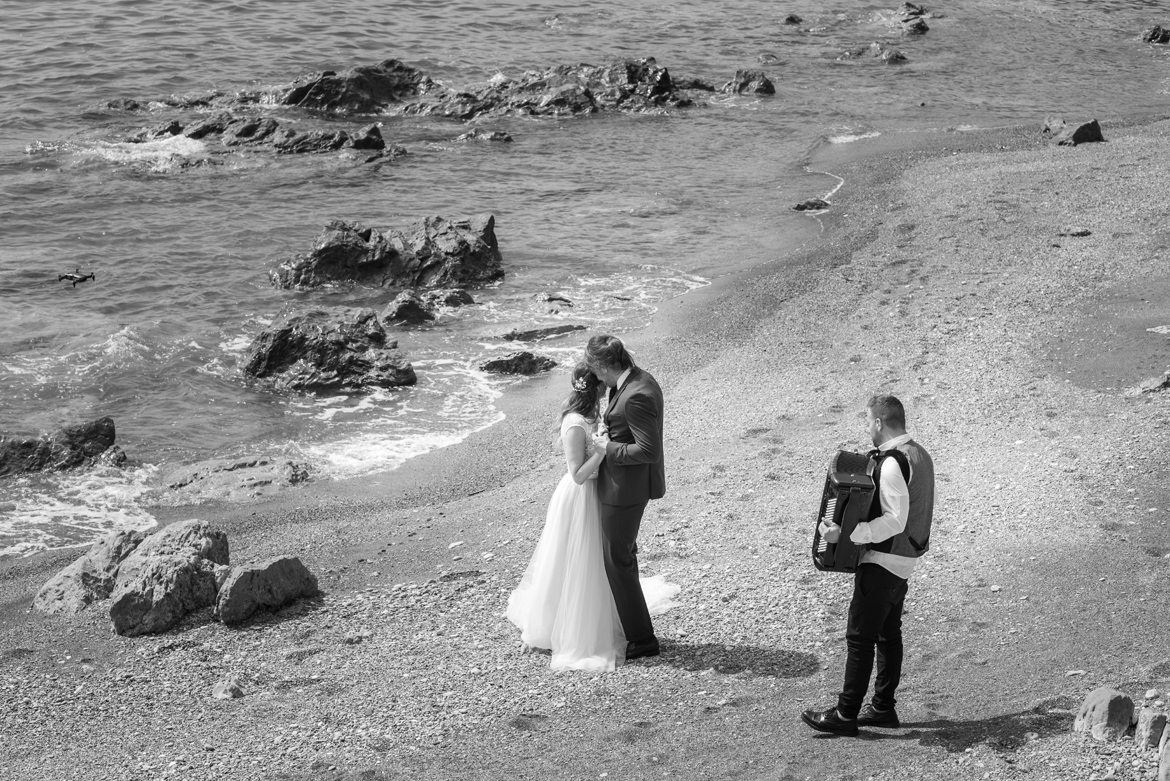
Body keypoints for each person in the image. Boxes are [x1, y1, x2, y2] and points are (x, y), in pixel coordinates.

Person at [505, 361, 678, 671]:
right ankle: (565, 623)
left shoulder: (593, 416)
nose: (607, 390)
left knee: (598, 559)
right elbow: (577, 476)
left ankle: (610, 615)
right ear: (596, 388)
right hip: (578, 498)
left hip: (597, 496)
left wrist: (603, 441)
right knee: (574, 561)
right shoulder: (573, 423)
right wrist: (602, 449)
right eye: (603, 386)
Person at [801, 394, 935, 736]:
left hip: (882, 562)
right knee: (888, 635)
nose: (868, 429)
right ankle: (882, 709)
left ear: (878, 422)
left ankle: (846, 715)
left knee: (860, 638)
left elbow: (895, 520)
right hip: (904, 563)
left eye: (868, 422)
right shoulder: (920, 455)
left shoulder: (892, 462)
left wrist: (850, 535)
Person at [585, 335, 668, 661]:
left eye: (596, 371)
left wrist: (608, 448)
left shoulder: (636, 395)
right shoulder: (635, 378)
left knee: (617, 562)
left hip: (625, 491)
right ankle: (634, 628)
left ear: (605, 366)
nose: (597, 379)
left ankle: (642, 639)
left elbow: (648, 450)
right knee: (622, 558)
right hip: (624, 486)